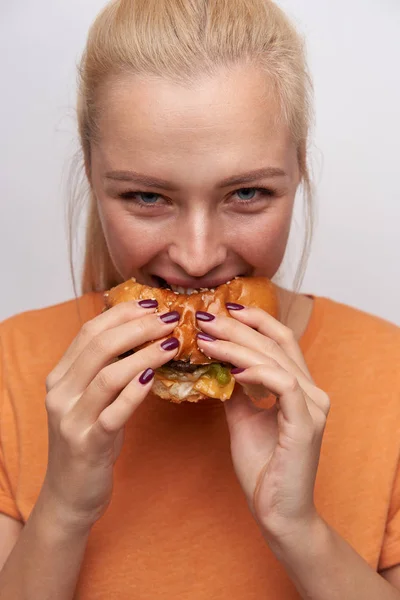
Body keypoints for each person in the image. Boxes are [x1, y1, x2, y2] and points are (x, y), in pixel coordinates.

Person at [0, 0, 399, 598]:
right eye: (145, 197)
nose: (196, 256)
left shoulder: (390, 372)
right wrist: (62, 510)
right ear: (91, 173)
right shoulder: (10, 364)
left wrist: (298, 529)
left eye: (247, 192)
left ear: (300, 168)